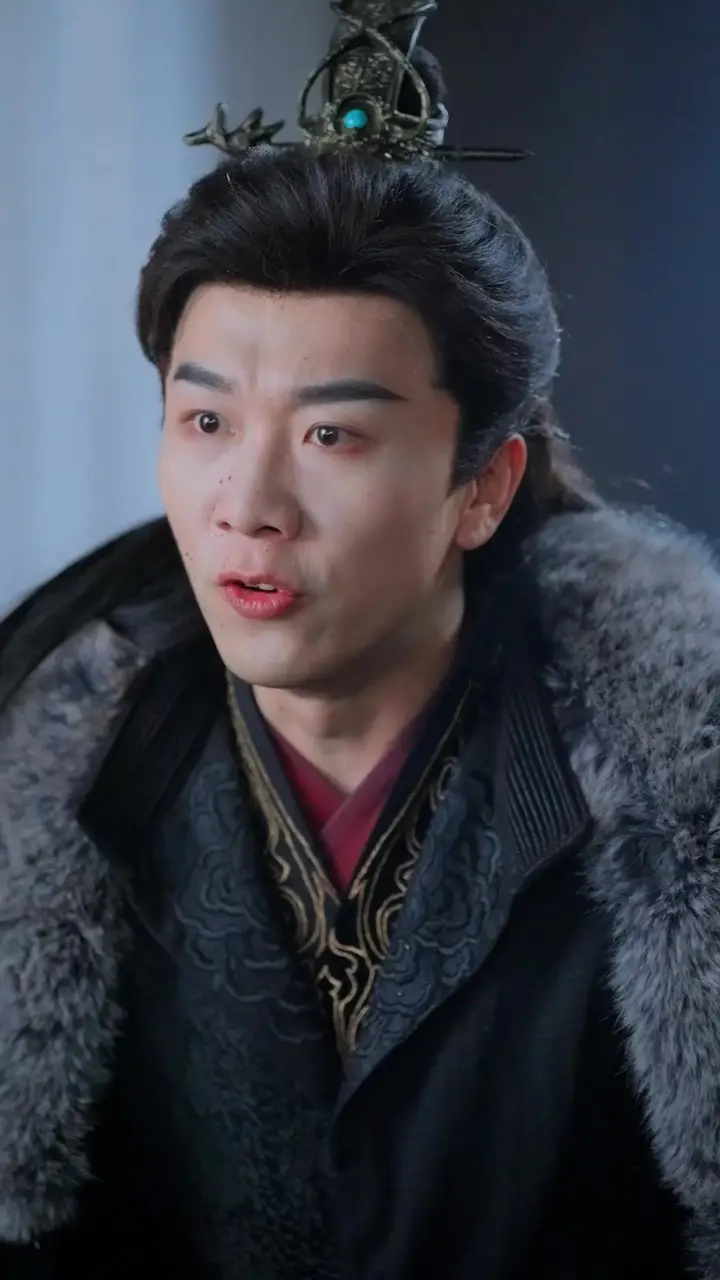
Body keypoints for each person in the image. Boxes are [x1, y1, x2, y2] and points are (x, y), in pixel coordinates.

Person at [1, 5, 719, 1279]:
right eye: (206, 422)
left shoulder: (676, 795)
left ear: (482, 487)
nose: (249, 505)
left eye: (332, 434)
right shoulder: (50, 765)